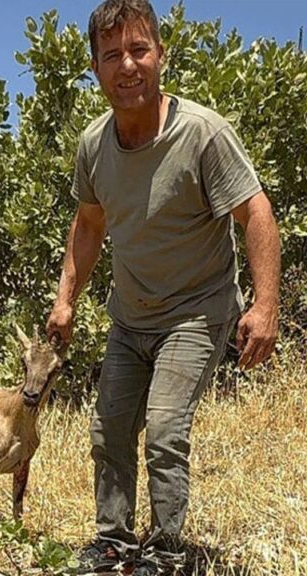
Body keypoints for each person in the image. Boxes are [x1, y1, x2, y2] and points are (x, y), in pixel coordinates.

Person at [45, 0, 280, 573]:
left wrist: (266, 305)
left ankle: (167, 549)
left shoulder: (202, 134)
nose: (127, 65)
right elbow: (90, 222)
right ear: (95, 69)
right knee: (109, 430)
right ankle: (114, 542)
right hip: (130, 314)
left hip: (197, 311)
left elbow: (256, 212)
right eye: (112, 55)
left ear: (160, 56)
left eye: (138, 50)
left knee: (166, 427)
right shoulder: (93, 145)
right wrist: (66, 297)